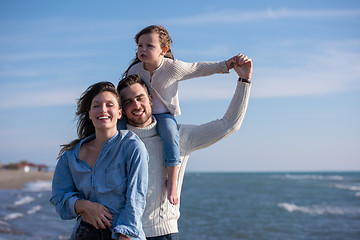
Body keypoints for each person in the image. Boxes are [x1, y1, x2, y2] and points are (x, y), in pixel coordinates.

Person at [116, 54, 253, 239]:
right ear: (122, 109)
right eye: (128, 102)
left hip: (164, 233)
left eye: (140, 98)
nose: (136, 105)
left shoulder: (179, 136)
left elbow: (229, 124)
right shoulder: (115, 140)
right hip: (124, 233)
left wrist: (244, 80)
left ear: (150, 99)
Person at [120, 25, 241, 206]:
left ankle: (172, 183)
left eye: (149, 46)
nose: (142, 50)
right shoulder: (134, 70)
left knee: (170, 135)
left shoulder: (172, 68)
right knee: (118, 129)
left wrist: (225, 65)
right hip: (141, 115)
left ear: (164, 49)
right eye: (139, 46)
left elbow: (198, 68)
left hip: (164, 115)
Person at [50, 82, 148, 240]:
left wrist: (125, 235)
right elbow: (58, 197)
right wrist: (83, 205)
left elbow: (136, 199)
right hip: (84, 234)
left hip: (123, 235)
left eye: (110, 105)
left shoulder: (132, 147)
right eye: (96, 105)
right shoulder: (70, 157)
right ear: (89, 113)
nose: (103, 109)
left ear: (119, 113)